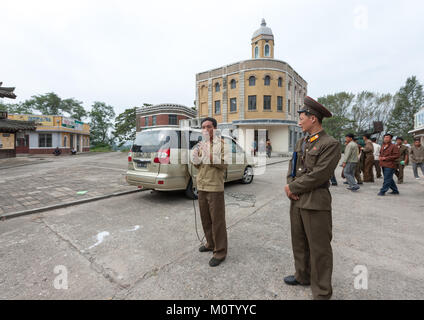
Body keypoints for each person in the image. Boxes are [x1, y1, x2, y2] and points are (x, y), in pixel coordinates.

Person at [284, 96, 341, 300]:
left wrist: (292, 186)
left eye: (301, 117)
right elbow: (293, 167)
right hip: (297, 200)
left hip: (316, 201)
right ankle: (302, 276)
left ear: (313, 119)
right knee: (299, 242)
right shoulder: (302, 141)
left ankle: (322, 291)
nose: (299, 121)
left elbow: (320, 174)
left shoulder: (330, 144)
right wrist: (291, 185)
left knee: (319, 248)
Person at [191, 117, 228, 267]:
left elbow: (224, 164)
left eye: (209, 127)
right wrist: (195, 159)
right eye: (203, 127)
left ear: (215, 129)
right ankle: (210, 243)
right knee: (205, 218)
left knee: (217, 221)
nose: (206, 130)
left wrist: (209, 154)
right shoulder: (201, 145)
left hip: (214, 188)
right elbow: (199, 166)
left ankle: (220, 252)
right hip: (202, 186)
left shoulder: (222, 144)